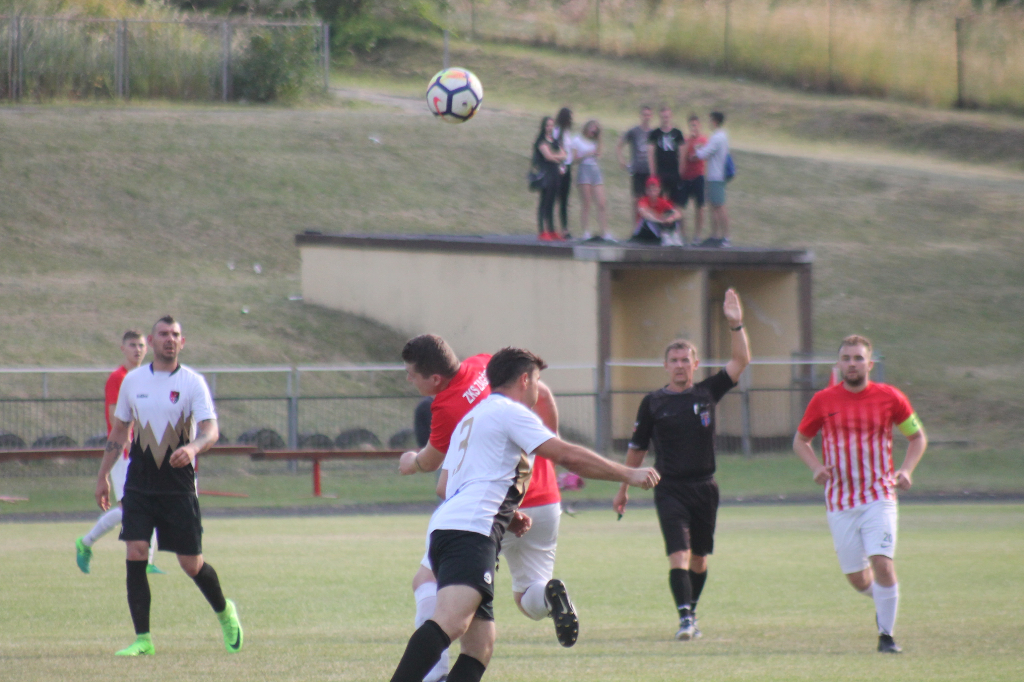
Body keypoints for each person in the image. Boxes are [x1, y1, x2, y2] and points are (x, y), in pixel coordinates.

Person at [389, 347, 660, 682]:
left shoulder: (471, 419)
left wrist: (509, 514)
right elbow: (567, 455)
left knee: (480, 646)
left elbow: (445, 486)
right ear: (524, 379)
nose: (537, 390)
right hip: (470, 533)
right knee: (452, 621)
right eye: (537, 381)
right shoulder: (509, 412)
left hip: (449, 528)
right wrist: (627, 473)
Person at [397, 335, 573, 682]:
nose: (408, 379)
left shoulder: (446, 408)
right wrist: (546, 447)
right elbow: (545, 394)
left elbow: (436, 469)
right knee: (501, 620)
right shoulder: (483, 363)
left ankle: (433, 674)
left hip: (484, 506)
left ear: (434, 379)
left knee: (431, 588)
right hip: (540, 494)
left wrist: (412, 462)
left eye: (411, 374)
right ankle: (549, 599)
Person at [95, 316, 242, 656]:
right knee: (136, 551)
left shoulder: (193, 383)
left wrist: (192, 448)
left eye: (175, 335)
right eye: (163, 334)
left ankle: (224, 612)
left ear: (182, 342)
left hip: (178, 485)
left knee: (191, 564)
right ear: (152, 339)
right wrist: (103, 474)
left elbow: (210, 430)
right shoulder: (133, 382)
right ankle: (143, 639)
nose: (169, 339)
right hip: (140, 483)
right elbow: (119, 431)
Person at [614, 289, 750, 641]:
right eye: (673, 360)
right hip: (668, 487)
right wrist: (624, 487)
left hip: (705, 487)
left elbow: (740, 362)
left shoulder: (706, 393)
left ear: (695, 364)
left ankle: (691, 611)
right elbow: (637, 449)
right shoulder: (653, 403)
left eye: (684, 360)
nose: (678, 365)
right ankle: (685, 618)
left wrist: (736, 325)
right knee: (679, 553)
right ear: (665, 366)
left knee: (700, 559)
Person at [792, 335, 927, 654]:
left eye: (858, 358)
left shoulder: (891, 397)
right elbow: (800, 440)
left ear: (870, 364)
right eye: (846, 358)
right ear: (839, 365)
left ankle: (886, 636)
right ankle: (886, 597)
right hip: (840, 502)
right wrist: (815, 467)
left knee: (882, 563)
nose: (852, 364)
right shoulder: (823, 400)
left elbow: (917, 437)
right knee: (857, 578)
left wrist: (906, 470)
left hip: (879, 496)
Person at [77, 330, 164, 576]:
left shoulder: (148, 377)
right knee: (132, 509)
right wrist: (127, 445)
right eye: (132, 345)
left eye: (141, 345)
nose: (137, 349)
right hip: (124, 455)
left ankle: (146, 561)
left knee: (150, 506)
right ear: (122, 348)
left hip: (147, 452)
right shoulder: (118, 378)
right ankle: (86, 543)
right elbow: (116, 417)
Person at [646, 105, 686, 246]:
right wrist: (653, 173)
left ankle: (676, 232)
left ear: (671, 116)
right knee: (661, 204)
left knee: (675, 205)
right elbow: (650, 153)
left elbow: (682, 153)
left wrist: (681, 171)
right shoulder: (655, 133)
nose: (665, 118)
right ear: (660, 117)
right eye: (663, 116)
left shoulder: (677, 133)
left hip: (674, 174)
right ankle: (663, 233)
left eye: (667, 116)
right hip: (660, 174)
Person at [568, 119, 612, 241]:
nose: (593, 131)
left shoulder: (595, 141)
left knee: (601, 203)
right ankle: (586, 231)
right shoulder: (577, 139)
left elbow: (599, 154)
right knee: (586, 203)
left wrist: (599, 139)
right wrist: (586, 154)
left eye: (596, 129)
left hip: (595, 170)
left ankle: (605, 231)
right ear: (587, 127)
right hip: (584, 169)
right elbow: (574, 159)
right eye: (592, 128)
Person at [695, 112, 731, 247]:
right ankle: (716, 236)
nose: (709, 123)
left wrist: (696, 148)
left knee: (720, 206)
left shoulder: (717, 137)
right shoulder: (722, 136)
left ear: (715, 121)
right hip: (715, 175)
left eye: (710, 120)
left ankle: (725, 237)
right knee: (714, 206)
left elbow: (703, 154)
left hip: (716, 176)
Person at [532, 116, 567, 241]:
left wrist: (555, 156)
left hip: (555, 174)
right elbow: (547, 156)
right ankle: (542, 230)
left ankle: (551, 229)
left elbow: (564, 154)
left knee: (552, 202)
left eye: (552, 125)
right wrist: (556, 156)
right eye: (548, 125)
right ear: (543, 126)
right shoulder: (541, 141)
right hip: (546, 174)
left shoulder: (555, 140)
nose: (550, 128)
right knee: (544, 202)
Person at [616, 104, 653, 213]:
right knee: (637, 199)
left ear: (651, 116)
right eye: (644, 114)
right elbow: (619, 145)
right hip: (637, 169)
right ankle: (636, 226)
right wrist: (621, 160)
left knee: (649, 198)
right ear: (641, 116)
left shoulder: (653, 133)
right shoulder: (634, 131)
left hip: (649, 170)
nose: (646, 117)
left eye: (648, 115)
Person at [679, 114, 707, 244]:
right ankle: (683, 234)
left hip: (698, 176)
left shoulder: (703, 139)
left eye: (695, 125)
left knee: (699, 206)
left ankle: (697, 235)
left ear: (699, 125)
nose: (693, 128)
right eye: (691, 125)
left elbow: (699, 155)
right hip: (686, 177)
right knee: (679, 206)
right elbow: (683, 156)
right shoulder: (686, 140)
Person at [630, 177, 682, 245]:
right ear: (646, 191)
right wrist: (660, 220)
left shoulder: (662, 202)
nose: (652, 192)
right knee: (648, 220)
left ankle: (674, 236)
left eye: (654, 190)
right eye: (650, 190)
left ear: (659, 190)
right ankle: (664, 237)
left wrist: (670, 219)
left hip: (656, 231)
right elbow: (644, 213)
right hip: (643, 232)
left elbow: (678, 213)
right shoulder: (643, 201)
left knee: (670, 214)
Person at [553, 107, 574, 240]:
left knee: (564, 200)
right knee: (557, 199)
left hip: (567, 168)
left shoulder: (566, 132)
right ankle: (556, 228)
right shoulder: (557, 132)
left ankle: (564, 228)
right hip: (559, 168)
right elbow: (557, 149)